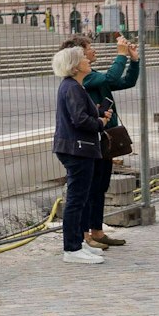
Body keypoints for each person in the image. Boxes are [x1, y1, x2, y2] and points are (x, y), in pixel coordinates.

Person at [62, 33, 139, 249]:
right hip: (89, 140)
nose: (93, 51)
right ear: (78, 54)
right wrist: (120, 55)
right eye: (89, 48)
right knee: (89, 188)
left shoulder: (92, 74)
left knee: (100, 186)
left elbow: (125, 81)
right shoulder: (82, 78)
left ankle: (97, 230)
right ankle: (85, 235)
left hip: (104, 137)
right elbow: (112, 78)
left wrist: (133, 60)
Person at [51, 45, 107, 265]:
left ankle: (77, 243)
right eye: (84, 57)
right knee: (76, 199)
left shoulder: (73, 86)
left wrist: (99, 113)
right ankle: (71, 248)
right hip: (77, 148)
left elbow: (80, 115)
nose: (88, 59)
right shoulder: (72, 87)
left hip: (77, 147)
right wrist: (100, 123)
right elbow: (80, 120)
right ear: (75, 66)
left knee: (80, 198)